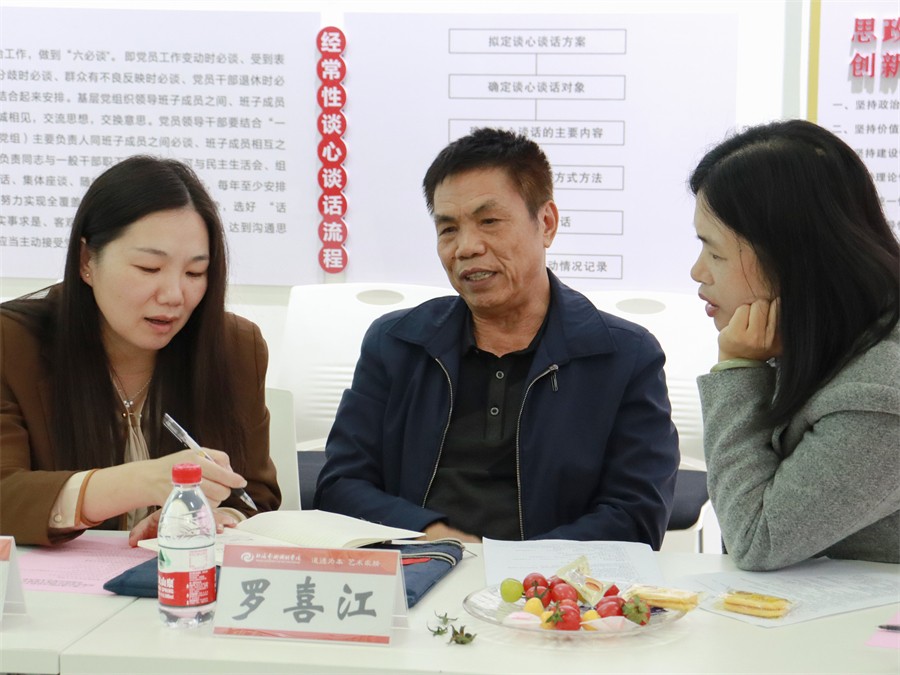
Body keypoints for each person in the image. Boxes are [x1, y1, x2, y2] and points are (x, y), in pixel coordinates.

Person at [315, 128, 679, 546]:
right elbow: (340, 486)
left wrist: (518, 567)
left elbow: (636, 515)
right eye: (448, 229)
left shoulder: (624, 355)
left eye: (489, 222)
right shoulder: (397, 343)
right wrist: (432, 535)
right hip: (418, 565)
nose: (466, 247)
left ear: (546, 223)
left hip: (554, 581)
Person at [1, 155, 281, 547]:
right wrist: (138, 483)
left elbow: (254, 496)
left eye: (195, 273)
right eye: (149, 268)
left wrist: (220, 518)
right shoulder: (11, 343)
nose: (174, 295)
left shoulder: (235, 348)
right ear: (87, 261)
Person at [689, 119, 900, 570]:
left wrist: (738, 368)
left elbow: (755, 539)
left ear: (790, 259)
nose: (698, 272)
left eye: (716, 253)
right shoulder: (823, 340)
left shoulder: (882, 391)